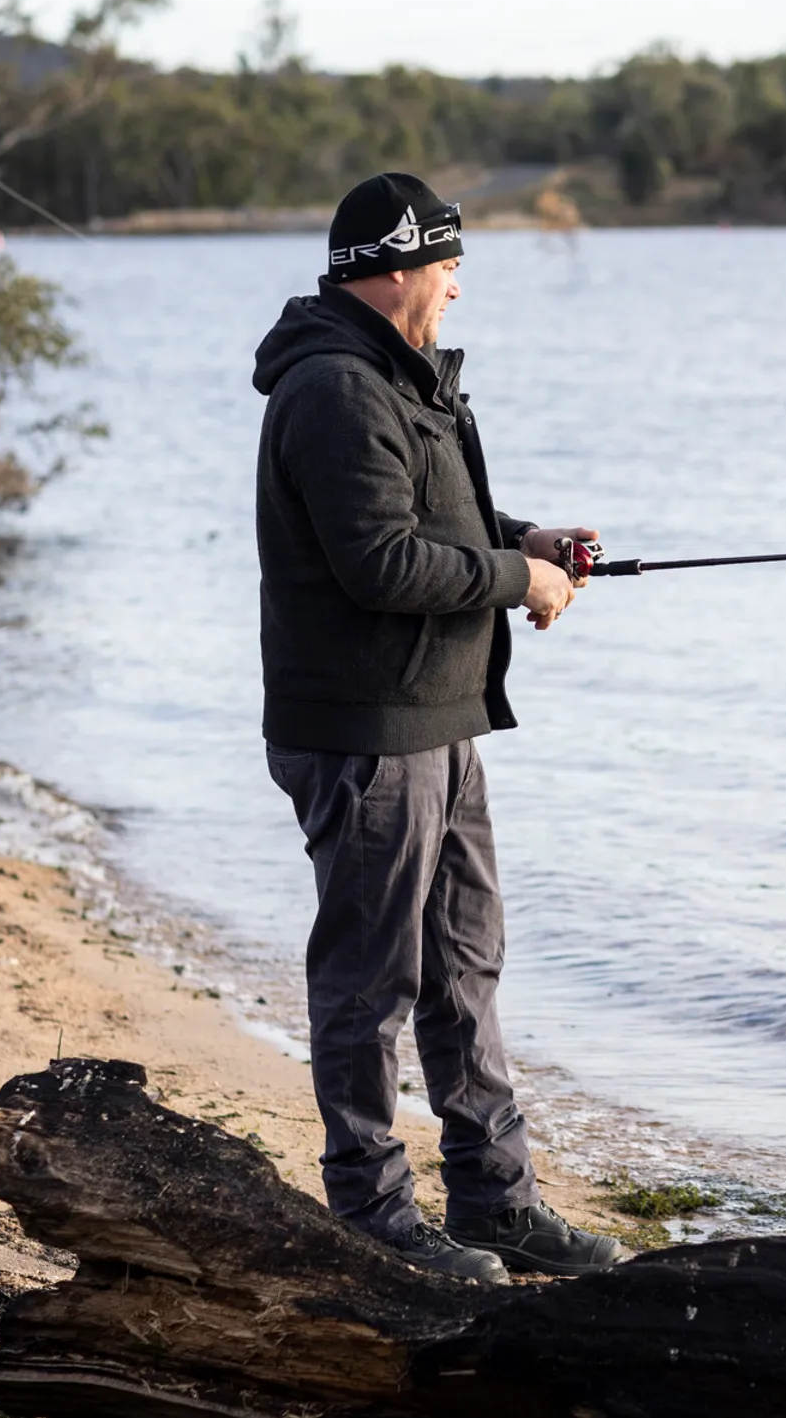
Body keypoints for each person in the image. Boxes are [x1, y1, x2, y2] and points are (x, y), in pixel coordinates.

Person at [251, 171, 629, 1285]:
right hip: (369, 731)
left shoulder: (398, 379)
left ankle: (495, 1203)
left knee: (465, 965)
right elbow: (380, 563)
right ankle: (371, 1214)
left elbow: (437, 519)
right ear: (396, 265)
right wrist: (522, 579)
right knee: (371, 982)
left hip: (436, 718)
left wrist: (534, 537)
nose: (459, 286)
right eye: (448, 264)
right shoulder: (334, 389)